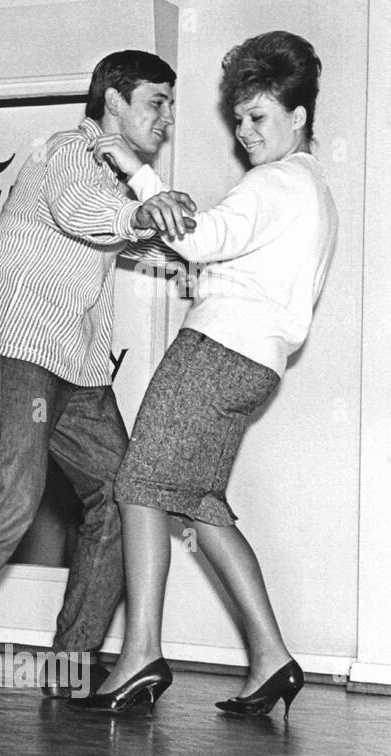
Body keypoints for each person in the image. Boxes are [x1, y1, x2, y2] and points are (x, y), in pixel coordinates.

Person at [0, 50, 182, 703]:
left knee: (121, 494)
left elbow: (135, 222)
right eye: (154, 102)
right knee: (15, 495)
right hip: (21, 351)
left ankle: (73, 663)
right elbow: (81, 209)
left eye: (170, 105)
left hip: (76, 368)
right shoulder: (68, 152)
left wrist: (145, 198)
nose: (165, 117)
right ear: (113, 102)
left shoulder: (118, 171)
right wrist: (140, 210)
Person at [71, 32, 336, 718]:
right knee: (199, 503)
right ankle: (273, 657)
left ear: (299, 116)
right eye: (240, 118)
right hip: (256, 366)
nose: (245, 132)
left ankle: (140, 657)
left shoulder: (276, 181)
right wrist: (191, 268)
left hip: (212, 357)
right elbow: (232, 265)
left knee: (136, 485)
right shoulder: (314, 191)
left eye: (260, 118)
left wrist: (132, 166)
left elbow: (198, 236)